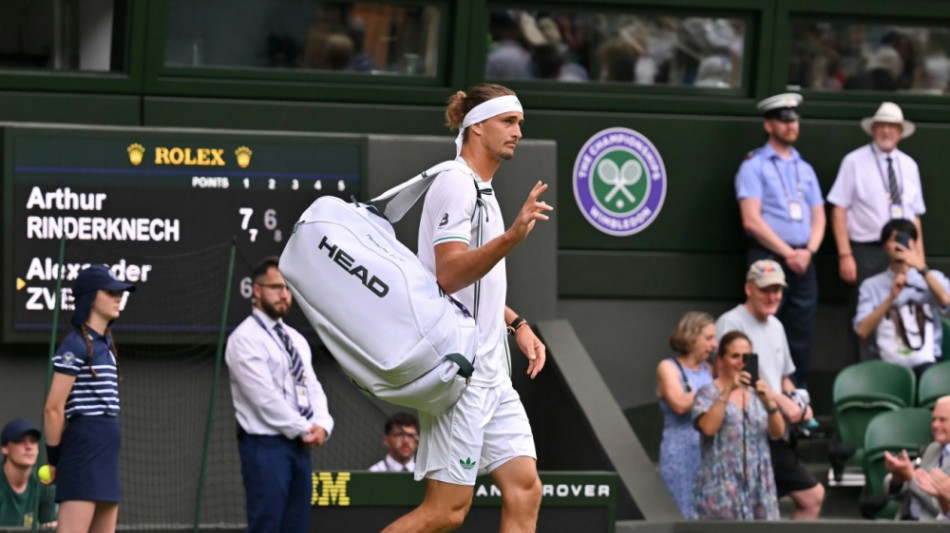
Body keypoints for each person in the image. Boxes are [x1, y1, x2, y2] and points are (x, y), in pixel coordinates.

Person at [382, 83, 552, 533]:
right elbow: (450, 275)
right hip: (461, 373)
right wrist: (512, 238)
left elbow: (479, 287)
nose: (518, 131)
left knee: (525, 488)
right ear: (477, 127)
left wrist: (517, 324)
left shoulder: (484, 190)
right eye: (508, 121)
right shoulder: (455, 184)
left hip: (494, 371)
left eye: (520, 123)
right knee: (446, 511)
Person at [225, 257, 334, 533]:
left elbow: (313, 388)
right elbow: (264, 400)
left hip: (300, 446)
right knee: (267, 526)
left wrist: (323, 425)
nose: (284, 295)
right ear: (257, 291)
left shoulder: (295, 339)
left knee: (296, 526)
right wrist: (306, 428)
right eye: (276, 287)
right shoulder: (244, 339)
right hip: (266, 445)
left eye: (287, 288)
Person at [715, 260, 825, 519]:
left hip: (775, 427)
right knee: (807, 497)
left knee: (795, 500)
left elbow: (785, 376)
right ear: (748, 289)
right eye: (765, 289)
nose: (772, 296)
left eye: (777, 290)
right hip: (746, 430)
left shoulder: (776, 325)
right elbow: (739, 375)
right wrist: (780, 401)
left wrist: (797, 402)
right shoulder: (730, 322)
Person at [735, 93, 825, 388]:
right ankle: (759, 399)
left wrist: (808, 251)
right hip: (770, 258)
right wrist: (788, 253)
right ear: (769, 125)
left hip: (804, 261)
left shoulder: (805, 168)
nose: (790, 126)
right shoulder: (754, 165)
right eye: (783, 120)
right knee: (759, 328)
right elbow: (751, 219)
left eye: (794, 120)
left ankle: (797, 401)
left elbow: (819, 216)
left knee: (801, 334)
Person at [827, 101, 925, 361]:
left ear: (900, 131)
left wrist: (920, 260)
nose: (886, 132)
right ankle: (866, 376)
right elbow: (839, 209)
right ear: (873, 129)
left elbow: (915, 216)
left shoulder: (909, 165)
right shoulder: (854, 161)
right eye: (881, 126)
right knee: (867, 314)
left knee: (903, 310)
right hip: (867, 250)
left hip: (904, 247)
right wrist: (845, 254)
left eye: (892, 127)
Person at [43, 264, 136, 532]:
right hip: (82, 452)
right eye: (110, 292)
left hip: (106, 453)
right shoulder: (74, 345)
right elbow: (53, 408)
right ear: (90, 297)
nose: (119, 297)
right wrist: (55, 459)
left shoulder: (106, 345)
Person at [692, 330, 784, 519]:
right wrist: (727, 391)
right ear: (721, 359)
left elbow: (778, 432)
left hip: (758, 482)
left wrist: (770, 404)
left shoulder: (758, 393)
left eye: (746, 357)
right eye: (735, 356)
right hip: (723, 484)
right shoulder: (707, 393)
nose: (741, 362)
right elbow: (708, 428)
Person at [854, 219, 950, 377]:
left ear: (914, 244)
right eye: (894, 240)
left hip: (928, 362)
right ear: (885, 246)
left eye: (905, 239)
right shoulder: (871, 286)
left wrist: (922, 269)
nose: (900, 245)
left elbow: (946, 301)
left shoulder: (932, 278)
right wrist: (891, 297)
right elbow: (862, 331)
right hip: (888, 365)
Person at [656, 311, 716, 518]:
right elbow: (679, 404)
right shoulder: (668, 367)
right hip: (679, 451)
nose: (714, 345)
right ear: (691, 337)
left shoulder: (709, 369)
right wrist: (717, 386)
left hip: (707, 450)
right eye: (708, 338)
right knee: (681, 510)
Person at [882, 395, 950, 520]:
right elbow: (893, 490)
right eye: (933, 419)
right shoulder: (933, 448)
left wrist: (911, 477)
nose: (935, 425)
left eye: (942, 420)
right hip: (905, 522)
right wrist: (898, 478)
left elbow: (941, 509)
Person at [0, 419, 56, 527]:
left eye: (33, 441)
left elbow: (49, 527)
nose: (29, 447)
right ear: (5, 448)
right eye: (20, 441)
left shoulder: (44, 485)